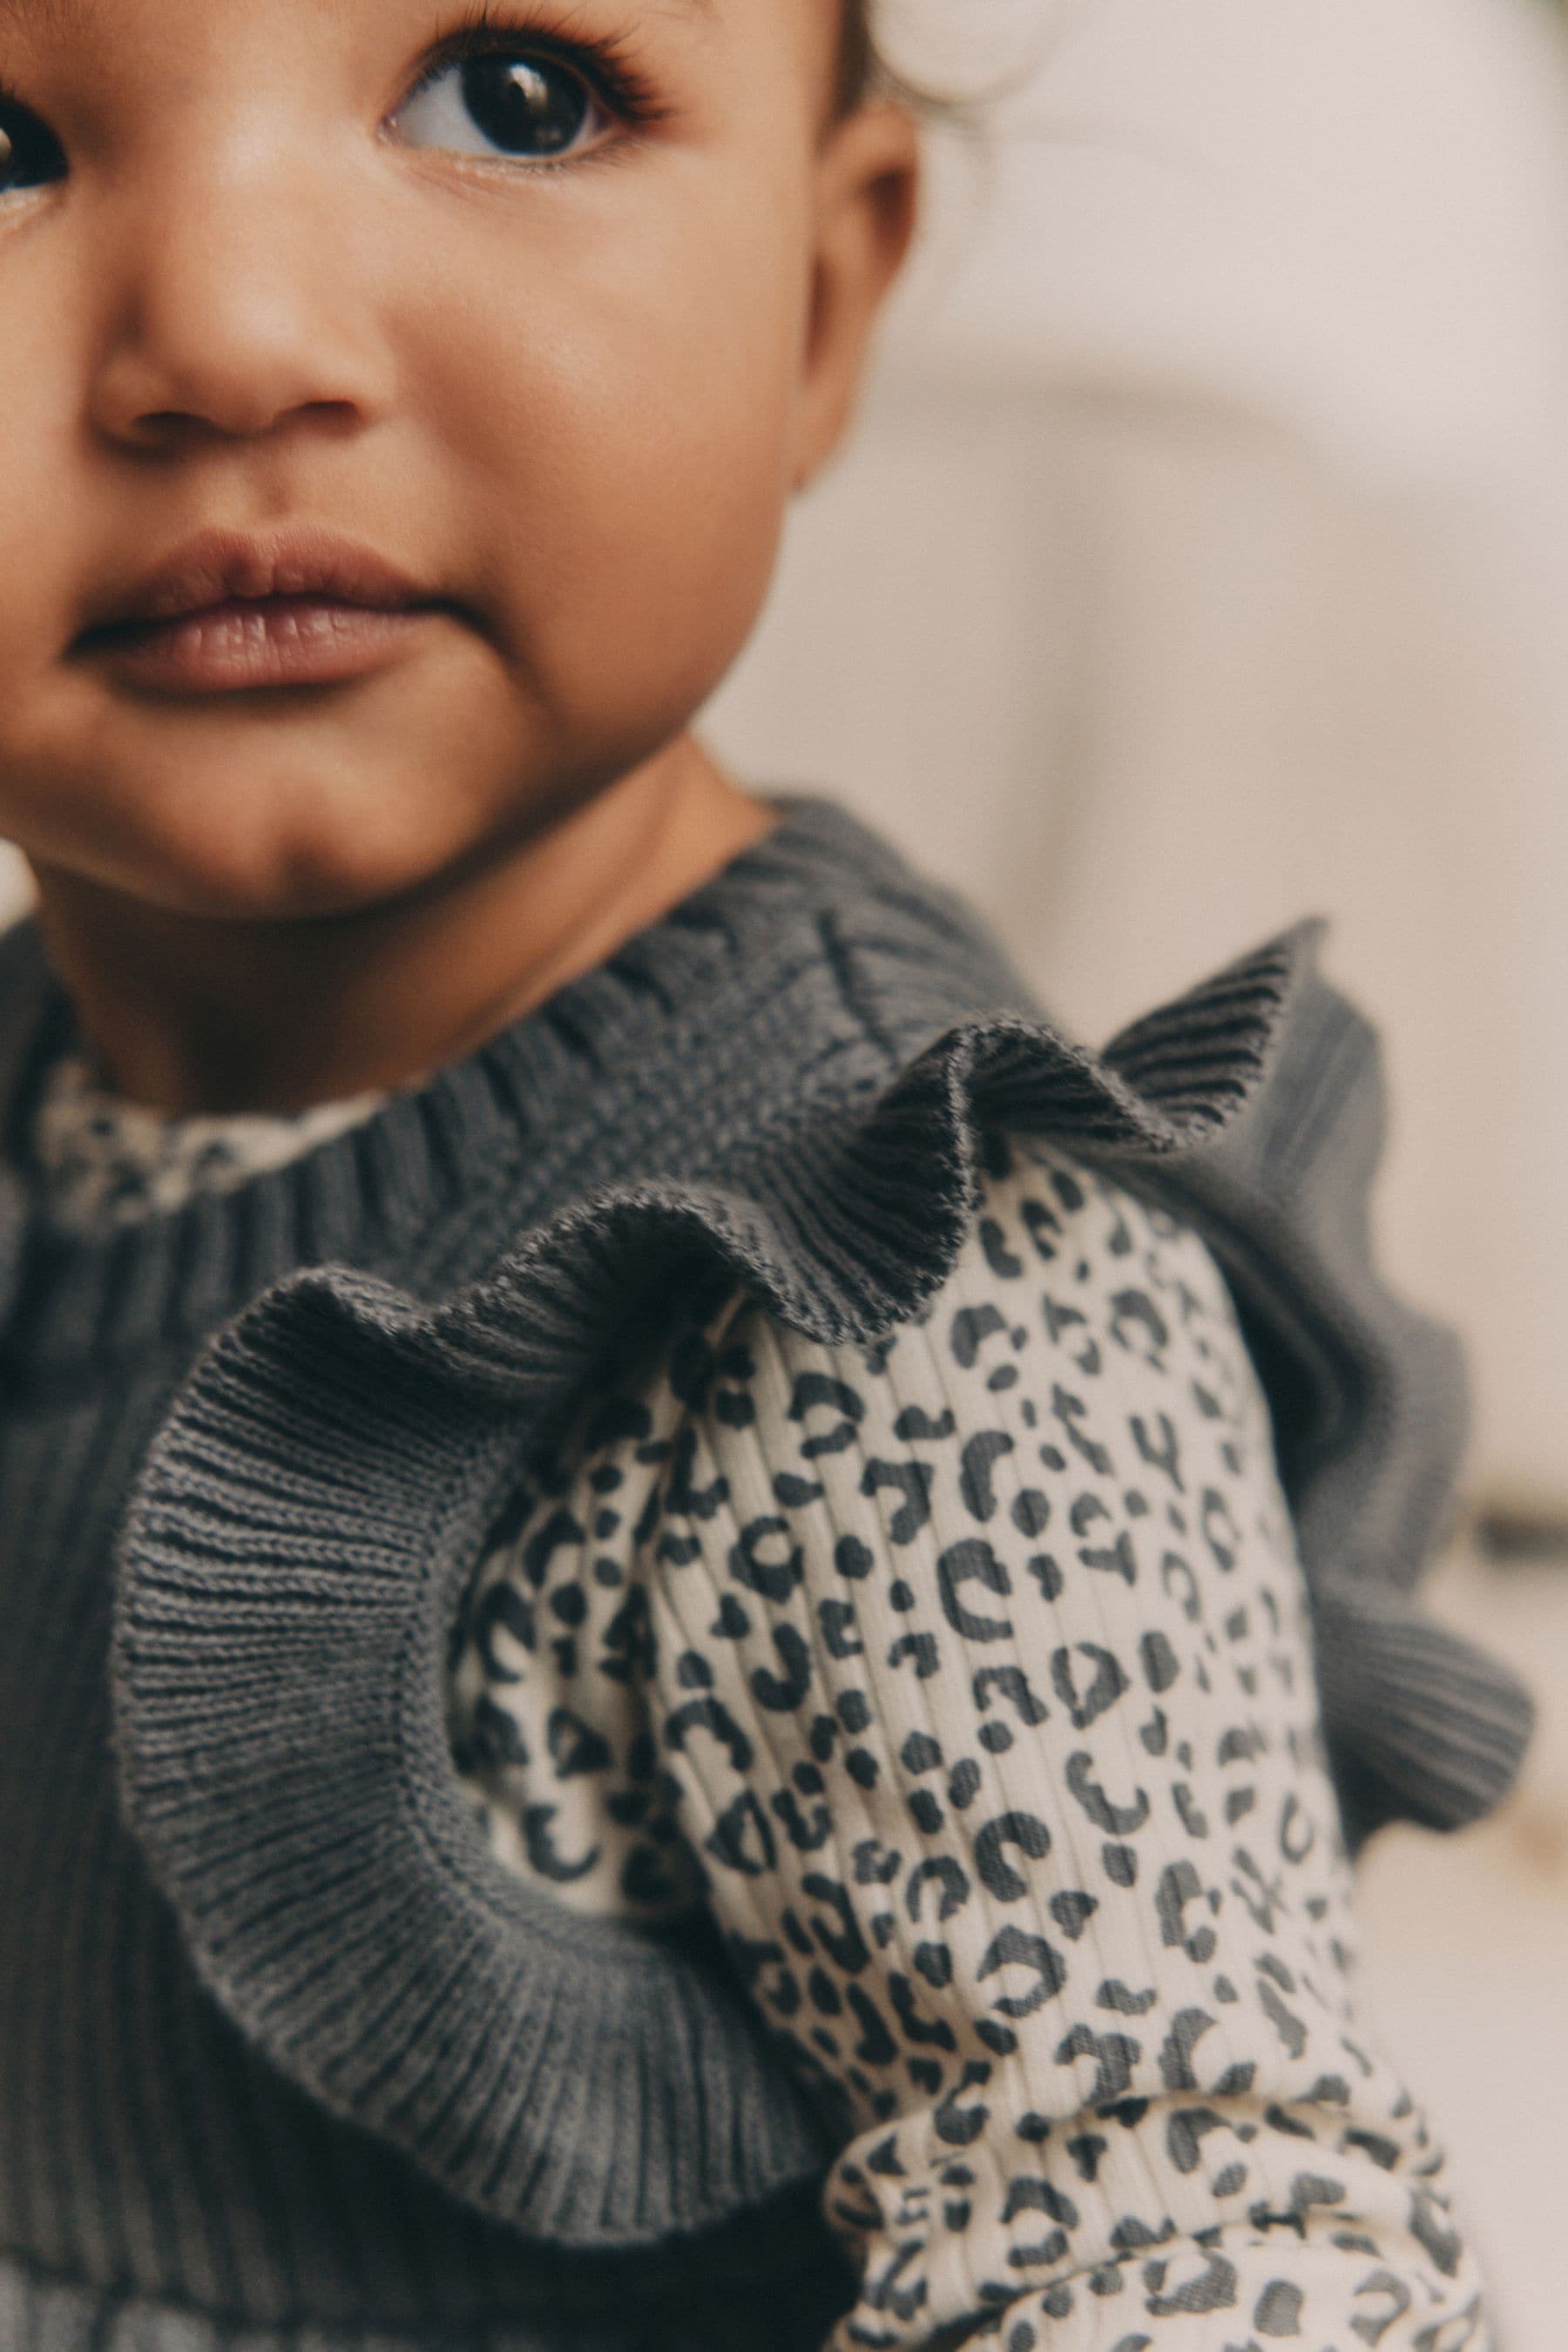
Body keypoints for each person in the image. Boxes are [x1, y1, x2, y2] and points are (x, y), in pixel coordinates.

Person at [0, 3, 1534, 2349]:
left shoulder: (902, 1300)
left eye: (513, 93)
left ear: (824, 308)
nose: (231, 333)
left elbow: (1199, 2237)